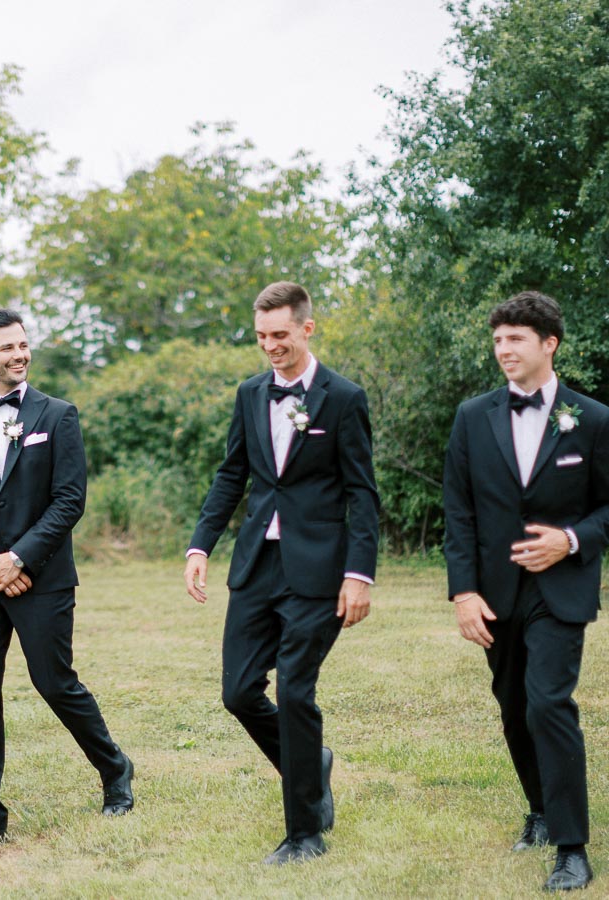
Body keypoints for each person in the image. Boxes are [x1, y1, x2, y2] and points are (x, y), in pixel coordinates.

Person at [184, 281, 380, 865]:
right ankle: (310, 761)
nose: (269, 346)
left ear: (307, 328)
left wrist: (359, 574)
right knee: (239, 692)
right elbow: (231, 475)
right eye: (262, 336)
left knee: (296, 690)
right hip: (256, 564)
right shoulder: (249, 394)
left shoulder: (344, 397)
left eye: (280, 335)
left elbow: (362, 495)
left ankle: (304, 834)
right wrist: (201, 545)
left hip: (318, 569)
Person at [443, 291, 609, 892]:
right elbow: (459, 514)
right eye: (498, 339)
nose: (504, 350)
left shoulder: (593, 419)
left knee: (549, 703)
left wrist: (570, 540)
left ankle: (572, 849)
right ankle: (541, 811)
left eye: (516, 339)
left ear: (549, 344)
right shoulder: (472, 416)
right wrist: (463, 593)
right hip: (495, 592)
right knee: (513, 708)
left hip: (561, 590)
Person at [0, 308, 134, 850]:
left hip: (41, 578)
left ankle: (115, 768)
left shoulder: (58, 415)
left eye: (24, 345)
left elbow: (70, 499)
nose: (19, 355)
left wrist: (18, 559)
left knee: (54, 682)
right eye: (7, 348)